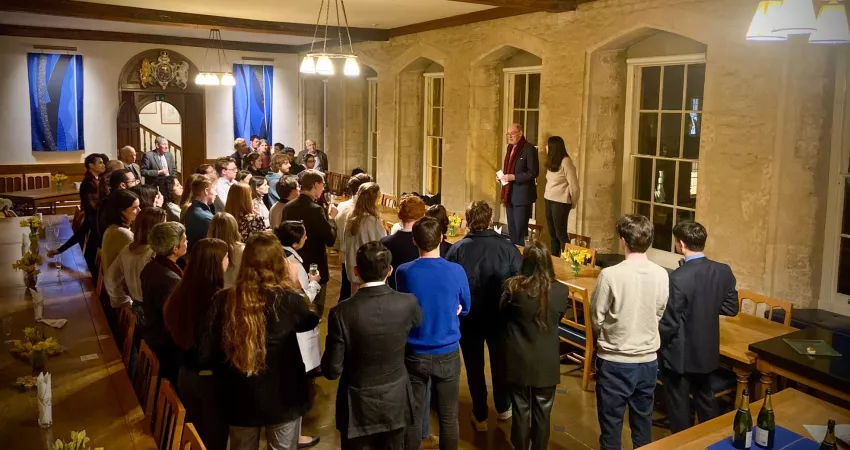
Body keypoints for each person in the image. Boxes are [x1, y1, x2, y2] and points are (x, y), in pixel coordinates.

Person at [202, 233, 319, 450]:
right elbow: (310, 320)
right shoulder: (288, 300)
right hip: (283, 395)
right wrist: (295, 285)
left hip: (240, 393)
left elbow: (209, 351)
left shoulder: (223, 299)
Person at [321, 242, 421, 449]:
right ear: (390, 270)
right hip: (395, 400)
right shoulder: (408, 303)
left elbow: (332, 370)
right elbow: (417, 324)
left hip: (358, 406)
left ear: (356, 271)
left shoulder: (341, 312)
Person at [590, 214, 669, 450]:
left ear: (623, 240)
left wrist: (610, 335)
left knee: (611, 428)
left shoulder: (610, 275)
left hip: (615, 361)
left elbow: (596, 317)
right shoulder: (662, 274)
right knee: (642, 427)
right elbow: (659, 311)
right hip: (647, 361)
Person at [446, 200, 521, 431]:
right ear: (490, 220)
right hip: (500, 316)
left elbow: (450, 286)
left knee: (474, 367)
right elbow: (520, 283)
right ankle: (503, 407)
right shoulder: (508, 248)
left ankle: (480, 415)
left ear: (468, 220)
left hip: (469, 318)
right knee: (501, 364)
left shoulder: (457, 249)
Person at [397, 217, 471, 450]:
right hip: (447, 351)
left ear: (414, 240)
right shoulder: (456, 271)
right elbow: (466, 306)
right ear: (441, 238)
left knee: (413, 416)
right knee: (448, 418)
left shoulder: (403, 272)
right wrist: (456, 307)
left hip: (414, 352)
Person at [659, 221, 739, 433]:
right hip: (706, 352)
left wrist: (657, 342)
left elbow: (670, 322)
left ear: (681, 243)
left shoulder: (678, 277)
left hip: (679, 355)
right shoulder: (723, 270)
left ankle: (682, 444)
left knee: (679, 408)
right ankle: (711, 440)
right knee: (706, 400)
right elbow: (731, 308)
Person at [163, 237, 230, 450]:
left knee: (195, 436)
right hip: (210, 380)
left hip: (185, 375)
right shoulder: (218, 300)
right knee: (214, 439)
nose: (229, 260)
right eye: (226, 257)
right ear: (215, 263)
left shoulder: (179, 293)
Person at [500, 241, 568, 450]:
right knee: (543, 412)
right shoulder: (561, 290)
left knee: (521, 409)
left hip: (519, 357)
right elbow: (559, 317)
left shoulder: (513, 288)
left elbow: (502, 314)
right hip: (547, 359)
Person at [274, 221, 323, 448]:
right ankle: (295, 435)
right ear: (296, 242)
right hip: (296, 334)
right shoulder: (293, 264)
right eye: (304, 236)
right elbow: (303, 300)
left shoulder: (279, 256)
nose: (306, 238)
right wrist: (313, 283)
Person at [283, 170, 338, 318]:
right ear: (315, 185)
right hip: (314, 265)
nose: (323, 189)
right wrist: (332, 219)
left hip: (292, 263)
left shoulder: (288, 206)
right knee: (314, 310)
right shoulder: (315, 209)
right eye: (322, 185)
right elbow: (330, 239)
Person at [141, 221, 188, 384]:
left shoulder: (151, 266)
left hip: (153, 333)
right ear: (174, 249)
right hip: (165, 344)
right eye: (184, 240)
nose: (187, 242)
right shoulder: (170, 279)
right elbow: (173, 318)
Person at [48, 153, 106, 274]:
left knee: (90, 251)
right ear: (91, 165)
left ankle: (94, 277)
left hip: (95, 219)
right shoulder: (88, 183)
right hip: (95, 220)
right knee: (91, 253)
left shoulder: (97, 179)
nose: (103, 165)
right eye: (100, 163)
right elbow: (91, 205)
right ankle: (94, 279)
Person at [104, 207, 166, 310]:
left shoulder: (126, 250)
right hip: (153, 310)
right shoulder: (154, 254)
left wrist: (123, 301)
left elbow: (110, 279)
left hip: (137, 306)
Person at [499, 123, 539, 246]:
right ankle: (513, 255)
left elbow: (533, 173)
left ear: (520, 133)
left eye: (513, 134)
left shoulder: (529, 149)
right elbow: (508, 170)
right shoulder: (509, 148)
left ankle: (522, 255)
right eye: (508, 134)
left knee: (520, 231)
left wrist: (513, 177)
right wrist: (502, 178)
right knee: (512, 231)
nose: (510, 136)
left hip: (522, 197)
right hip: (509, 195)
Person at [334, 173, 372, 301]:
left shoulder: (342, 206)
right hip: (360, 257)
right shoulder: (360, 212)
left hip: (345, 254)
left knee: (345, 289)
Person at [343, 183, 386, 293]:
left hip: (353, 268)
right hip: (368, 271)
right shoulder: (372, 221)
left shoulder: (351, 217)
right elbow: (382, 244)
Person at [380, 194, 426, 289]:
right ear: (422, 216)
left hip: (395, 290)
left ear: (399, 215)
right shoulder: (425, 243)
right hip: (420, 291)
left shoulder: (385, 242)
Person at [543, 136, 580, 256]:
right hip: (549, 200)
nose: (545, 147)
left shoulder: (566, 162)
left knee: (561, 234)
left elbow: (574, 186)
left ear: (554, 147)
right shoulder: (551, 161)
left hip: (561, 202)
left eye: (547, 145)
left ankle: (567, 261)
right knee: (552, 234)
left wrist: (572, 202)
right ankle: (554, 260)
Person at [101, 189, 141, 272]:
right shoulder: (122, 233)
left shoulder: (113, 228)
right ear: (122, 211)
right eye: (134, 208)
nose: (139, 210)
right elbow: (140, 261)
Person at [207, 212, 244, 289]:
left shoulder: (206, 251)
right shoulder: (243, 250)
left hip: (214, 292)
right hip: (236, 292)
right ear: (234, 229)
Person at [184, 176, 217, 252]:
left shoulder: (191, 209)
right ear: (206, 191)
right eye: (214, 189)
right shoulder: (206, 218)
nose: (216, 193)